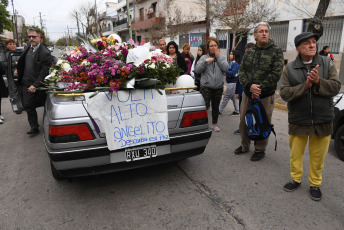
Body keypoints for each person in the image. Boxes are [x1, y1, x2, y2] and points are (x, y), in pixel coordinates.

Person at [280, 32, 340, 201]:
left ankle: (315, 184)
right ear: (298, 48)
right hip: (299, 119)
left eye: (314, 42)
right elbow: (284, 93)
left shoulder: (327, 63)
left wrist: (318, 81)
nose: (312, 45)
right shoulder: (289, 68)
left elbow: (336, 87)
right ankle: (296, 179)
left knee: (318, 156)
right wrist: (305, 86)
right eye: (307, 43)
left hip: (323, 119)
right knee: (295, 154)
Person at [234, 22, 284, 161]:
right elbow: (242, 71)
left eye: (266, 31)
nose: (264, 33)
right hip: (248, 94)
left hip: (265, 96)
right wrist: (249, 86)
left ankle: (260, 149)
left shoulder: (276, 51)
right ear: (255, 35)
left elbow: (276, 74)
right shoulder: (250, 52)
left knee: (263, 122)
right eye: (261, 31)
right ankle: (244, 146)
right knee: (244, 120)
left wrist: (258, 88)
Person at [17, 28, 52, 135]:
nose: (31, 39)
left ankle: (48, 123)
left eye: (33, 37)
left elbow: (44, 72)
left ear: (39, 38)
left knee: (45, 105)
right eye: (29, 37)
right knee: (28, 105)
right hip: (26, 82)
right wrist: (16, 69)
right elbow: (23, 62)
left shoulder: (44, 52)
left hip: (38, 84)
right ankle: (34, 127)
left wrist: (35, 85)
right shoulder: (28, 47)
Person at [194, 37, 228, 132]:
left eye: (215, 45)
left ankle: (214, 123)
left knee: (215, 106)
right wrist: (205, 62)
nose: (213, 47)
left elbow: (226, 68)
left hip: (218, 87)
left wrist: (218, 58)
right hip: (206, 87)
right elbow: (197, 70)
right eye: (211, 46)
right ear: (208, 48)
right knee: (204, 106)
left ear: (218, 46)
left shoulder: (222, 57)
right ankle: (202, 123)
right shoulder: (204, 57)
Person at [234, 43, 254, 135]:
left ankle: (250, 128)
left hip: (251, 93)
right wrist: (237, 92)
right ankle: (242, 128)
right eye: (246, 52)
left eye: (248, 52)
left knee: (250, 112)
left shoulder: (256, 66)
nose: (247, 54)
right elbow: (239, 79)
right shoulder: (243, 64)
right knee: (242, 112)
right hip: (242, 92)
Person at [0, 39, 20, 123]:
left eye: (14, 44)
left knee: (21, 89)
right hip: (10, 75)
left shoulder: (19, 52)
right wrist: (14, 64)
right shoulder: (4, 54)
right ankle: (16, 107)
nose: (12, 45)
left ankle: (24, 106)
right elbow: (3, 64)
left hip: (20, 74)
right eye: (10, 44)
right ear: (7, 45)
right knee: (13, 91)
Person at [219, 50, 240, 116]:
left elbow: (233, 73)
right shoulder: (230, 63)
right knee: (234, 97)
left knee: (226, 97)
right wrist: (227, 73)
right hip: (230, 82)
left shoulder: (236, 64)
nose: (230, 55)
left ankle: (219, 111)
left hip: (232, 83)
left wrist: (227, 72)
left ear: (235, 56)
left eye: (231, 54)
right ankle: (237, 110)